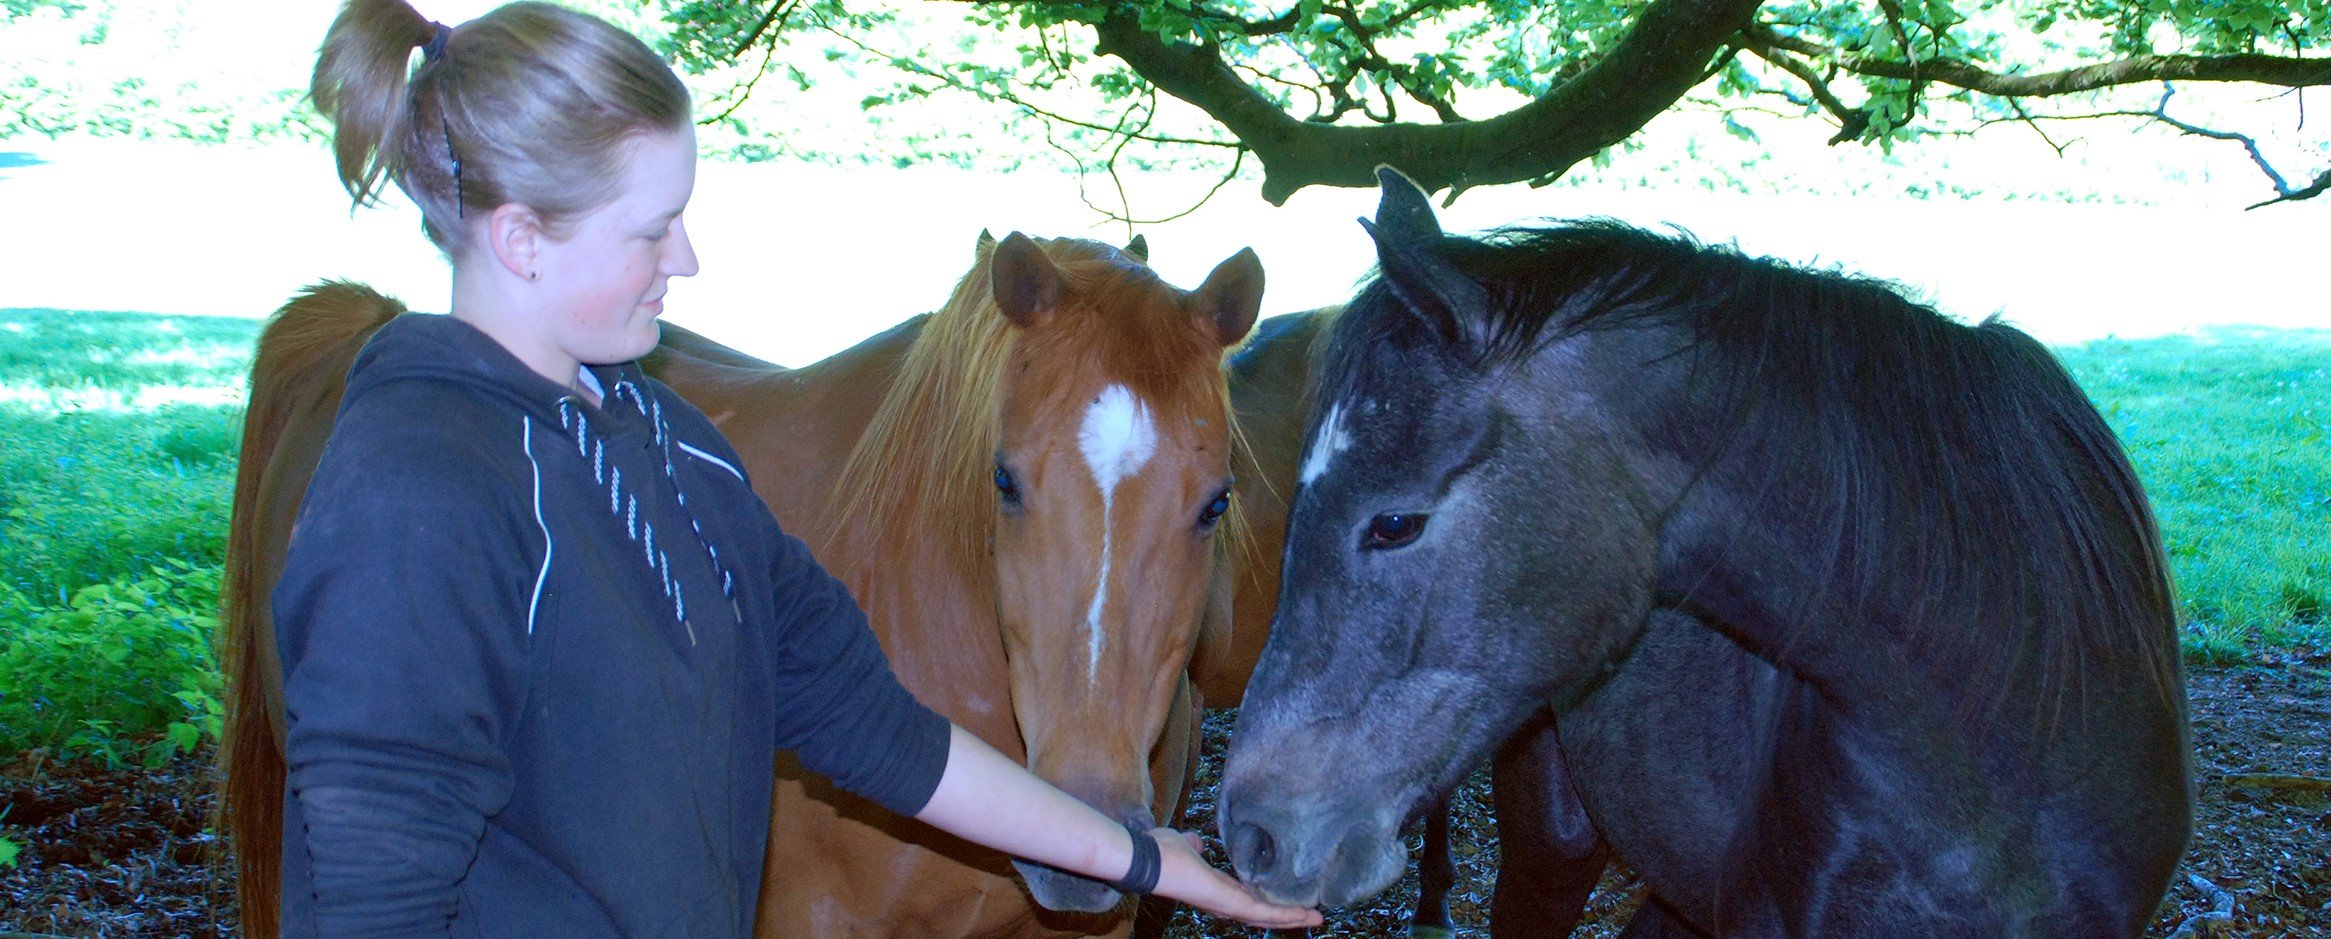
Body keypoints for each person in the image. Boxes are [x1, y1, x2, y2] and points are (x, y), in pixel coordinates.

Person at [275, 1, 1324, 934]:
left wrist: (1137, 855)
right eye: (651, 231)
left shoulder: (674, 450)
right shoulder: (413, 495)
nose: (686, 260)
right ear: (520, 241)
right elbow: (378, 889)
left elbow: (871, 727)